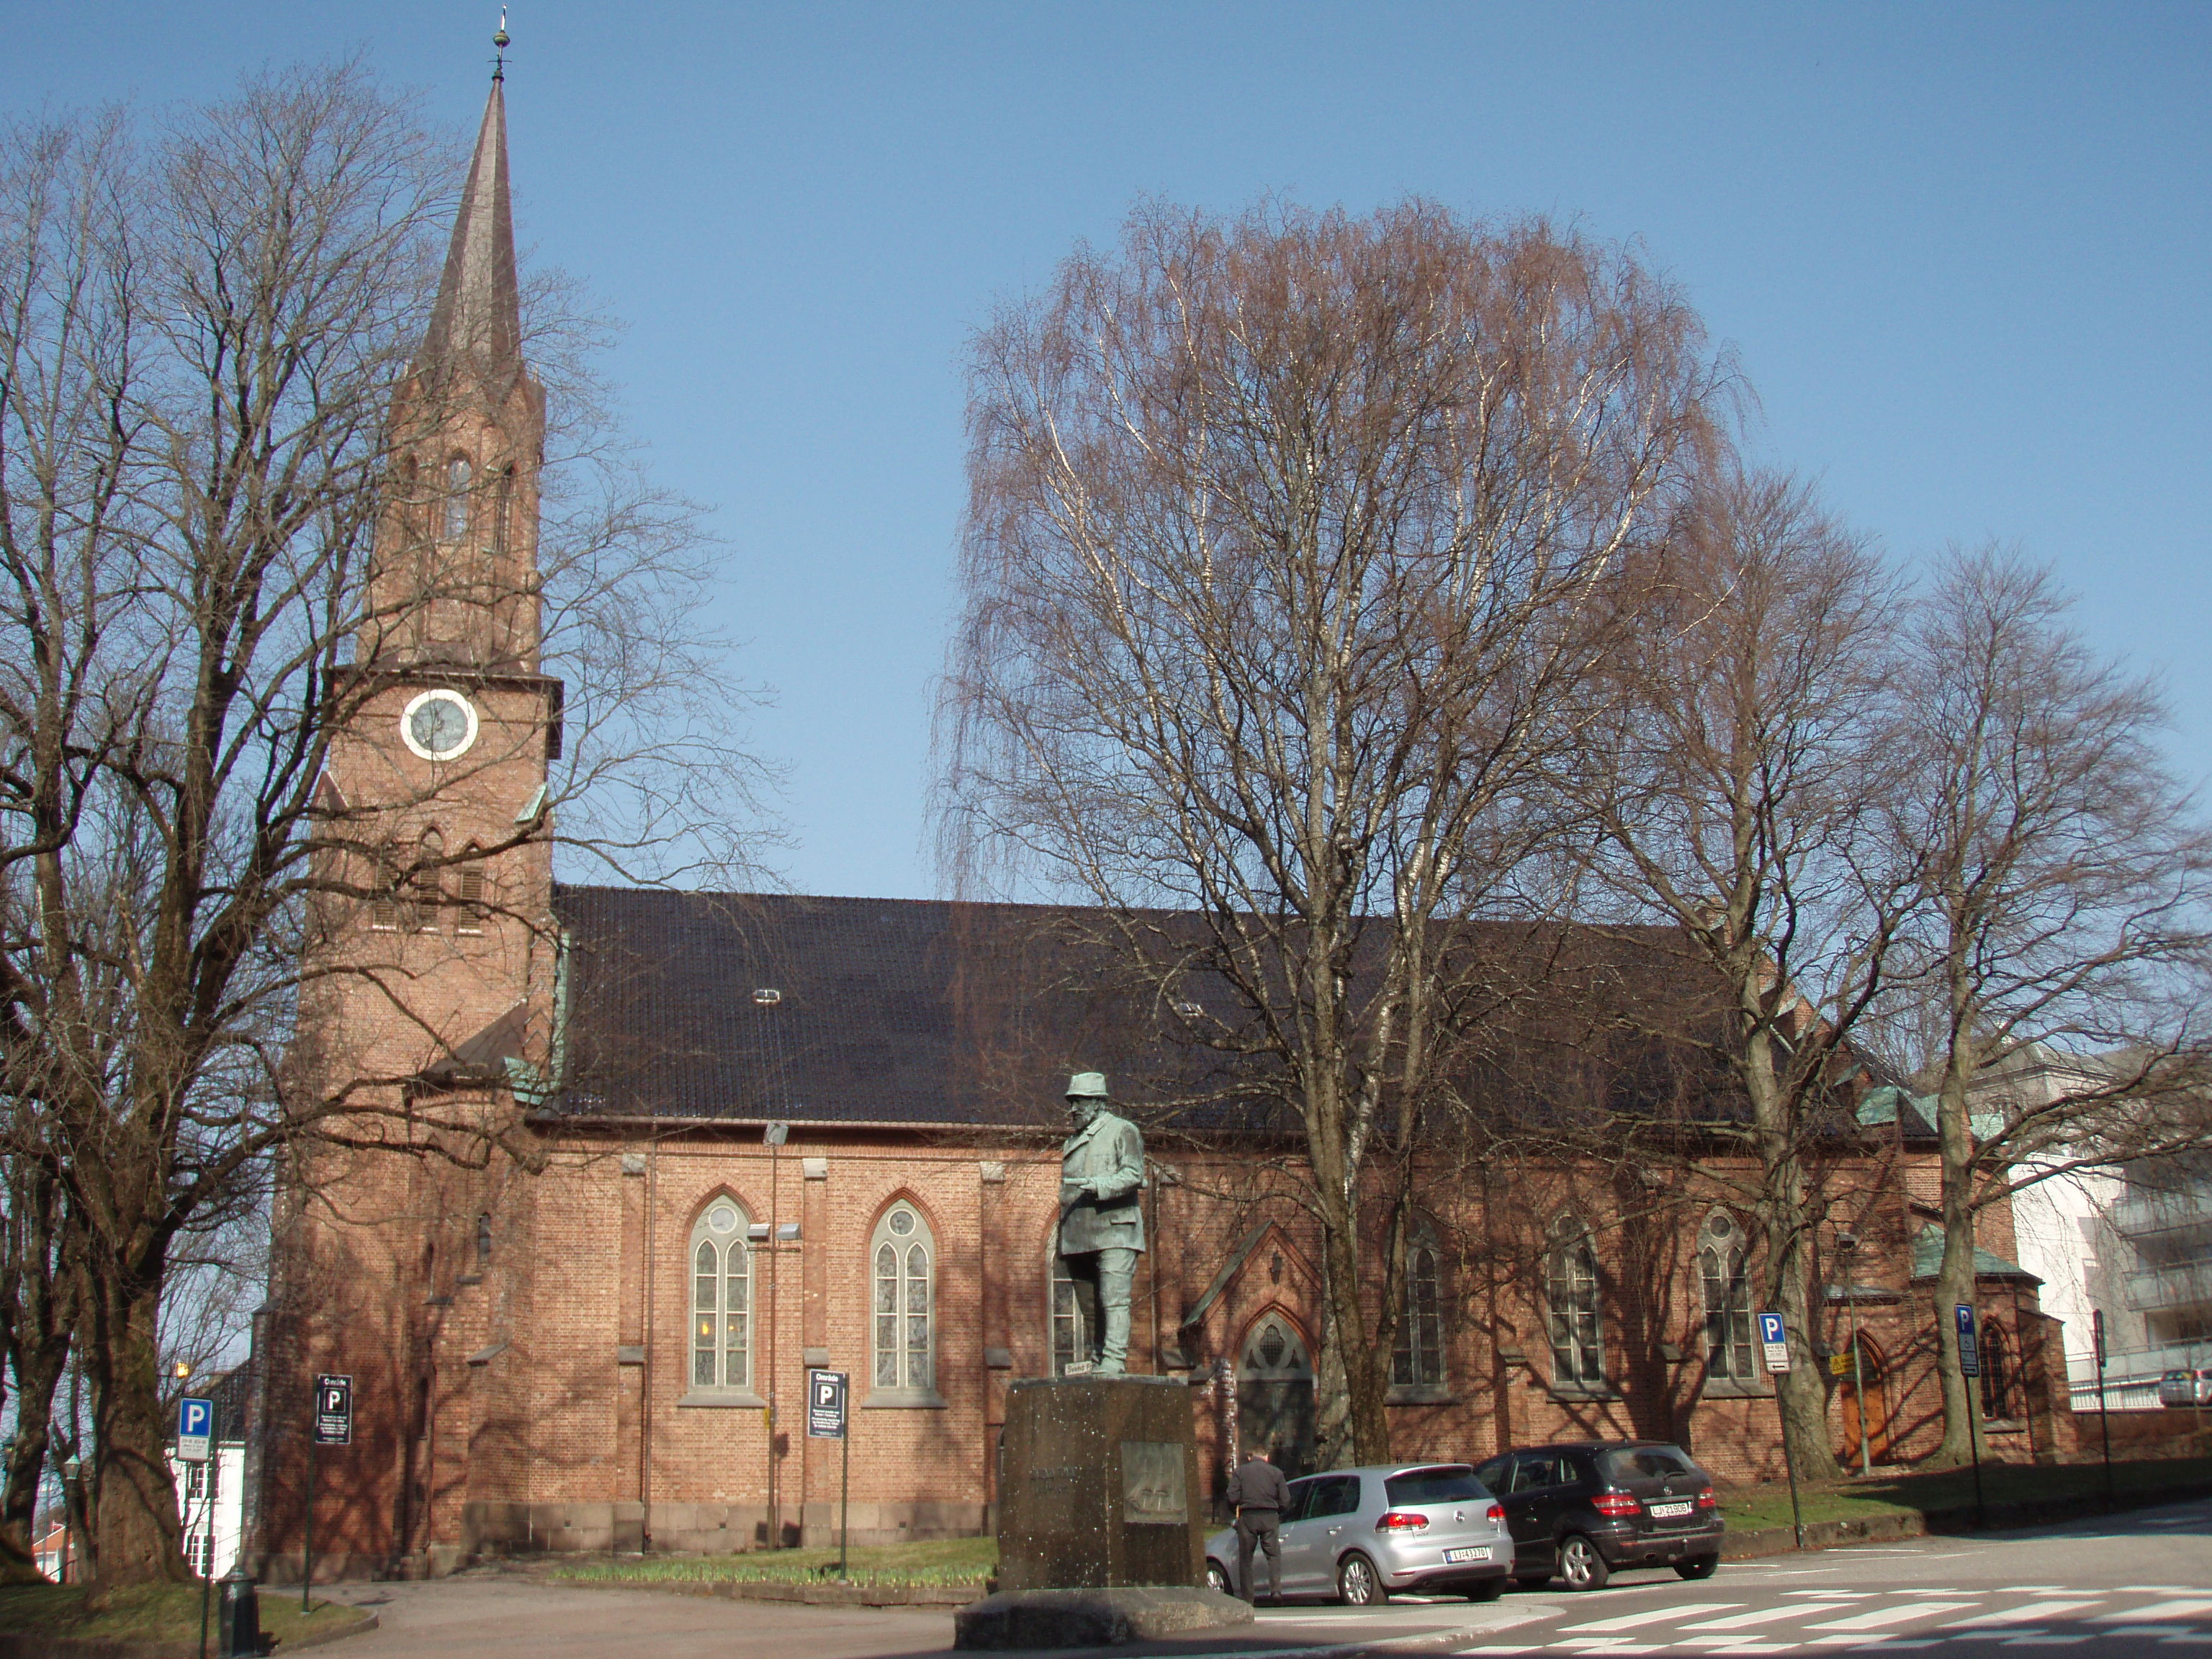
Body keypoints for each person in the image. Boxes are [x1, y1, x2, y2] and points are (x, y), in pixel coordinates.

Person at [1056, 1071, 1145, 1375]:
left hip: (1116, 1231)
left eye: (1078, 1102)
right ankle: (1098, 1359)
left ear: (1097, 1102)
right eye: (1071, 1103)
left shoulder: (1123, 1130)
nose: (1073, 1109)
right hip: (1079, 1236)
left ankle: (1114, 1360)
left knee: (1114, 1300)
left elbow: (1134, 1174)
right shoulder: (1072, 1141)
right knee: (1090, 1307)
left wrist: (1100, 1185)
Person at [1224, 1447, 1290, 1604]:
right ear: (1266, 1457)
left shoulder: (1240, 1472)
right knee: (1273, 1555)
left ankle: (1248, 1597)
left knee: (1246, 1559)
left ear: (1249, 1457)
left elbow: (1231, 1497)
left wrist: (1236, 1510)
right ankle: (1276, 1591)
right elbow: (1286, 1500)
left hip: (1248, 1517)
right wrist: (1277, 1510)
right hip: (1270, 1516)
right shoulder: (1276, 1473)